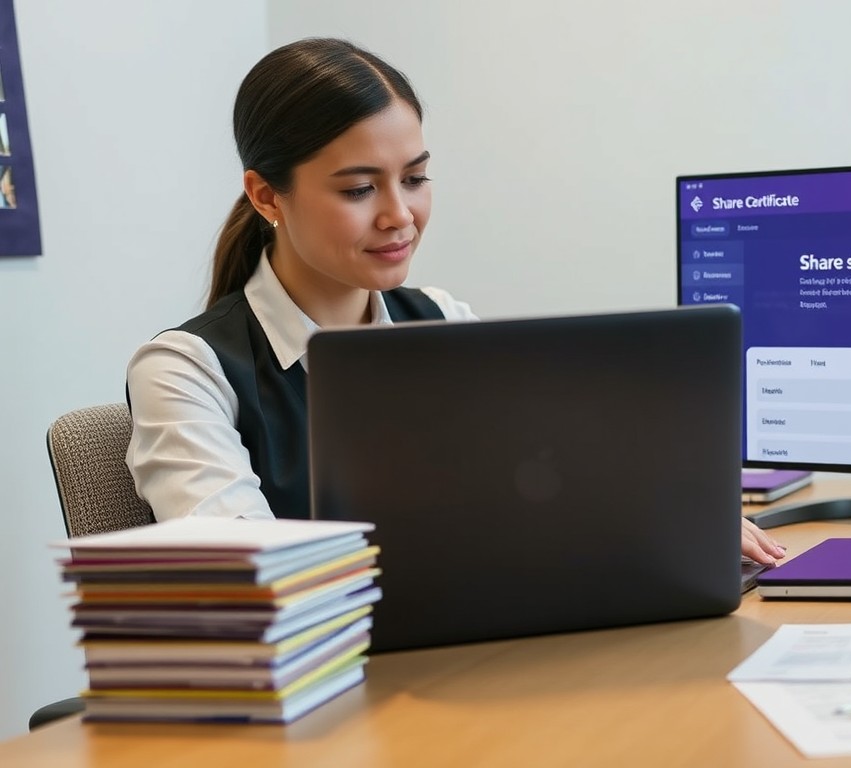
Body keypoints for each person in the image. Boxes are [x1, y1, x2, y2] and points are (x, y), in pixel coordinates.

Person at [125, 38, 787, 565]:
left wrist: (669, 509)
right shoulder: (186, 371)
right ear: (268, 196)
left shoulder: (441, 319)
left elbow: (546, 471)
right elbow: (247, 579)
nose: (399, 216)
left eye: (414, 178)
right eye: (359, 189)